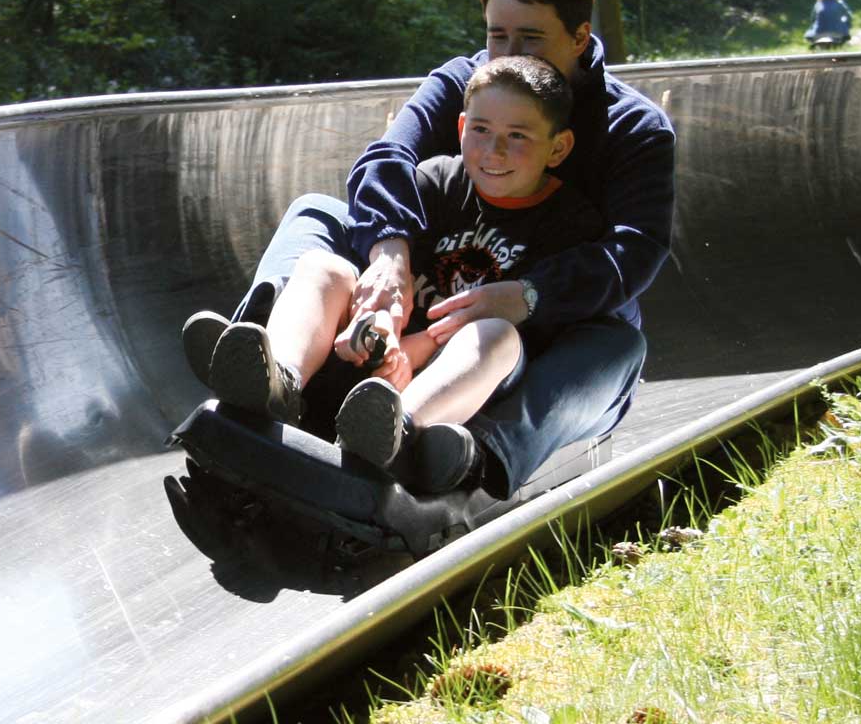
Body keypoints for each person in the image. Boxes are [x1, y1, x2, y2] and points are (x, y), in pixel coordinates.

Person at [183, 0, 676, 500]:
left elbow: (637, 249)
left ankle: (468, 453)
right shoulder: (470, 82)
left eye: (531, 39)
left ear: (580, 37)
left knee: (618, 345)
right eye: (497, 36)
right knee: (315, 212)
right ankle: (267, 364)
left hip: (539, 332)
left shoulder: (633, 127)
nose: (508, 55)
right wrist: (389, 255)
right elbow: (386, 159)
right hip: (427, 297)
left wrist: (530, 296)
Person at [201, 56, 604, 492]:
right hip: (382, 357)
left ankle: (392, 429)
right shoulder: (438, 181)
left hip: (460, 380)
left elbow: (540, 329)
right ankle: (279, 381)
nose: (495, 150)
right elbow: (390, 280)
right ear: (461, 127)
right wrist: (376, 326)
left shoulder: (570, 223)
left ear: (558, 147)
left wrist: (419, 349)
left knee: (495, 335)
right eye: (481, 130)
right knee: (325, 267)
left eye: (518, 136)